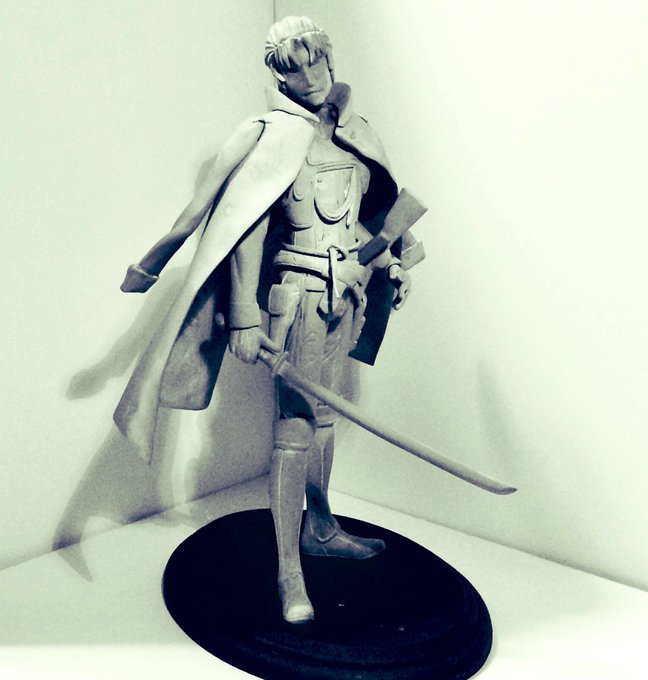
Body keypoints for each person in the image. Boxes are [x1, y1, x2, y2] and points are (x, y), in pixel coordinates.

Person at [115, 16, 425, 624]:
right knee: (294, 429)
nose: (311, 76)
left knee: (325, 419)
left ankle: (322, 528)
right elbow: (243, 230)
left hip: (348, 298)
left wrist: (391, 263)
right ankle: (289, 570)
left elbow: (371, 214)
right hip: (297, 302)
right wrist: (243, 315)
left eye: (316, 61)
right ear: (280, 76)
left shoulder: (356, 134)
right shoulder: (267, 138)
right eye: (294, 68)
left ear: (330, 59)